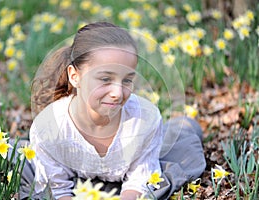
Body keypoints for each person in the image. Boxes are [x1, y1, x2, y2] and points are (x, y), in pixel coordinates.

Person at [20, 22, 206, 200]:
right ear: (75, 77)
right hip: (79, 177)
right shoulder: (49, 127)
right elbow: (56, 188)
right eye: (105, 79)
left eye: (126, 80)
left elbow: (139, 180)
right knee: (23, 163)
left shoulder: (144, 120)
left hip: (129, 171)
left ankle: (183, 124)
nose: (117, 93)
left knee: (178, 158)